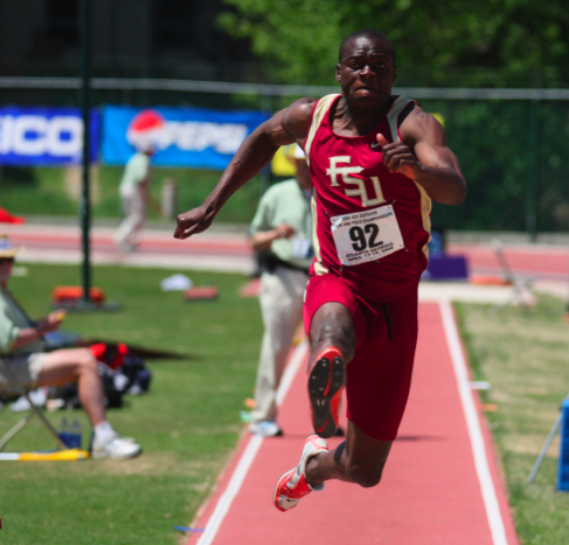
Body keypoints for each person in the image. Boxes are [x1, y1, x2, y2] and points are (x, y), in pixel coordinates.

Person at [174, 29, 465, 511]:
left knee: (364, 470)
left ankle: (314, 464)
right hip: (337, 275)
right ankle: (328, 362)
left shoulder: (413, 125)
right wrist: (211, 204)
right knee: (332, 329)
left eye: (377, 65)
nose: (366, 72)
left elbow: (454, 187)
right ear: (339, 71)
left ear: (393, 74)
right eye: (356, 64)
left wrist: (416, 170)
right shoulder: (313, 117)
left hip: (395, 300)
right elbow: (264, 137)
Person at [0, 236, 142, 459]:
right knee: (85, 361)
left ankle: (103, 435)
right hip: (10, 369)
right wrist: (43, 328)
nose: (7, 266)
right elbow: (10, 341)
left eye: (10, 260)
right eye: (2, 261)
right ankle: (103, 437)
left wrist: (42, 327)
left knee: (84, 358)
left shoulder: (4, 293)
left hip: (21, 363)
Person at [246, 145, 314, 437]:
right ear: (292, 163)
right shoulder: (277, 194)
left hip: (320, 277)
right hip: (283, 275)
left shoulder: (334, 194)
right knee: (276, 346)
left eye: (309, 162)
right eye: (299, 163)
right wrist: (275, 234)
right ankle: (262, 415)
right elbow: (254, 238)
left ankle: (326, 418)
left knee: (329, 350)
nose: (305, 168)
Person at [114, 146, 157, 251]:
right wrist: (145, 193)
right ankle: (121, 237)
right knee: (137, 216)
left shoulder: (135, 158)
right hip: (133, 189)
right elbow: (141, 178)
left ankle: (130, 241)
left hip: (126, 187)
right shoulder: (143, 160)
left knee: (132, 216)